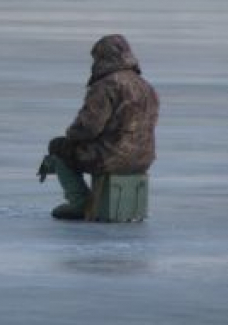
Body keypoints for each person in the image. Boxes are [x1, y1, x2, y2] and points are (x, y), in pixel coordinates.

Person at [38, 35, 159, 220]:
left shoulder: (107, 85)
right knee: (71, 148)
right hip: (143, 158)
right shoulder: (146, 86)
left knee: (58, 147)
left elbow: (88, 128)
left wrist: (70, 136)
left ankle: (80, 202)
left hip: (111, 157)